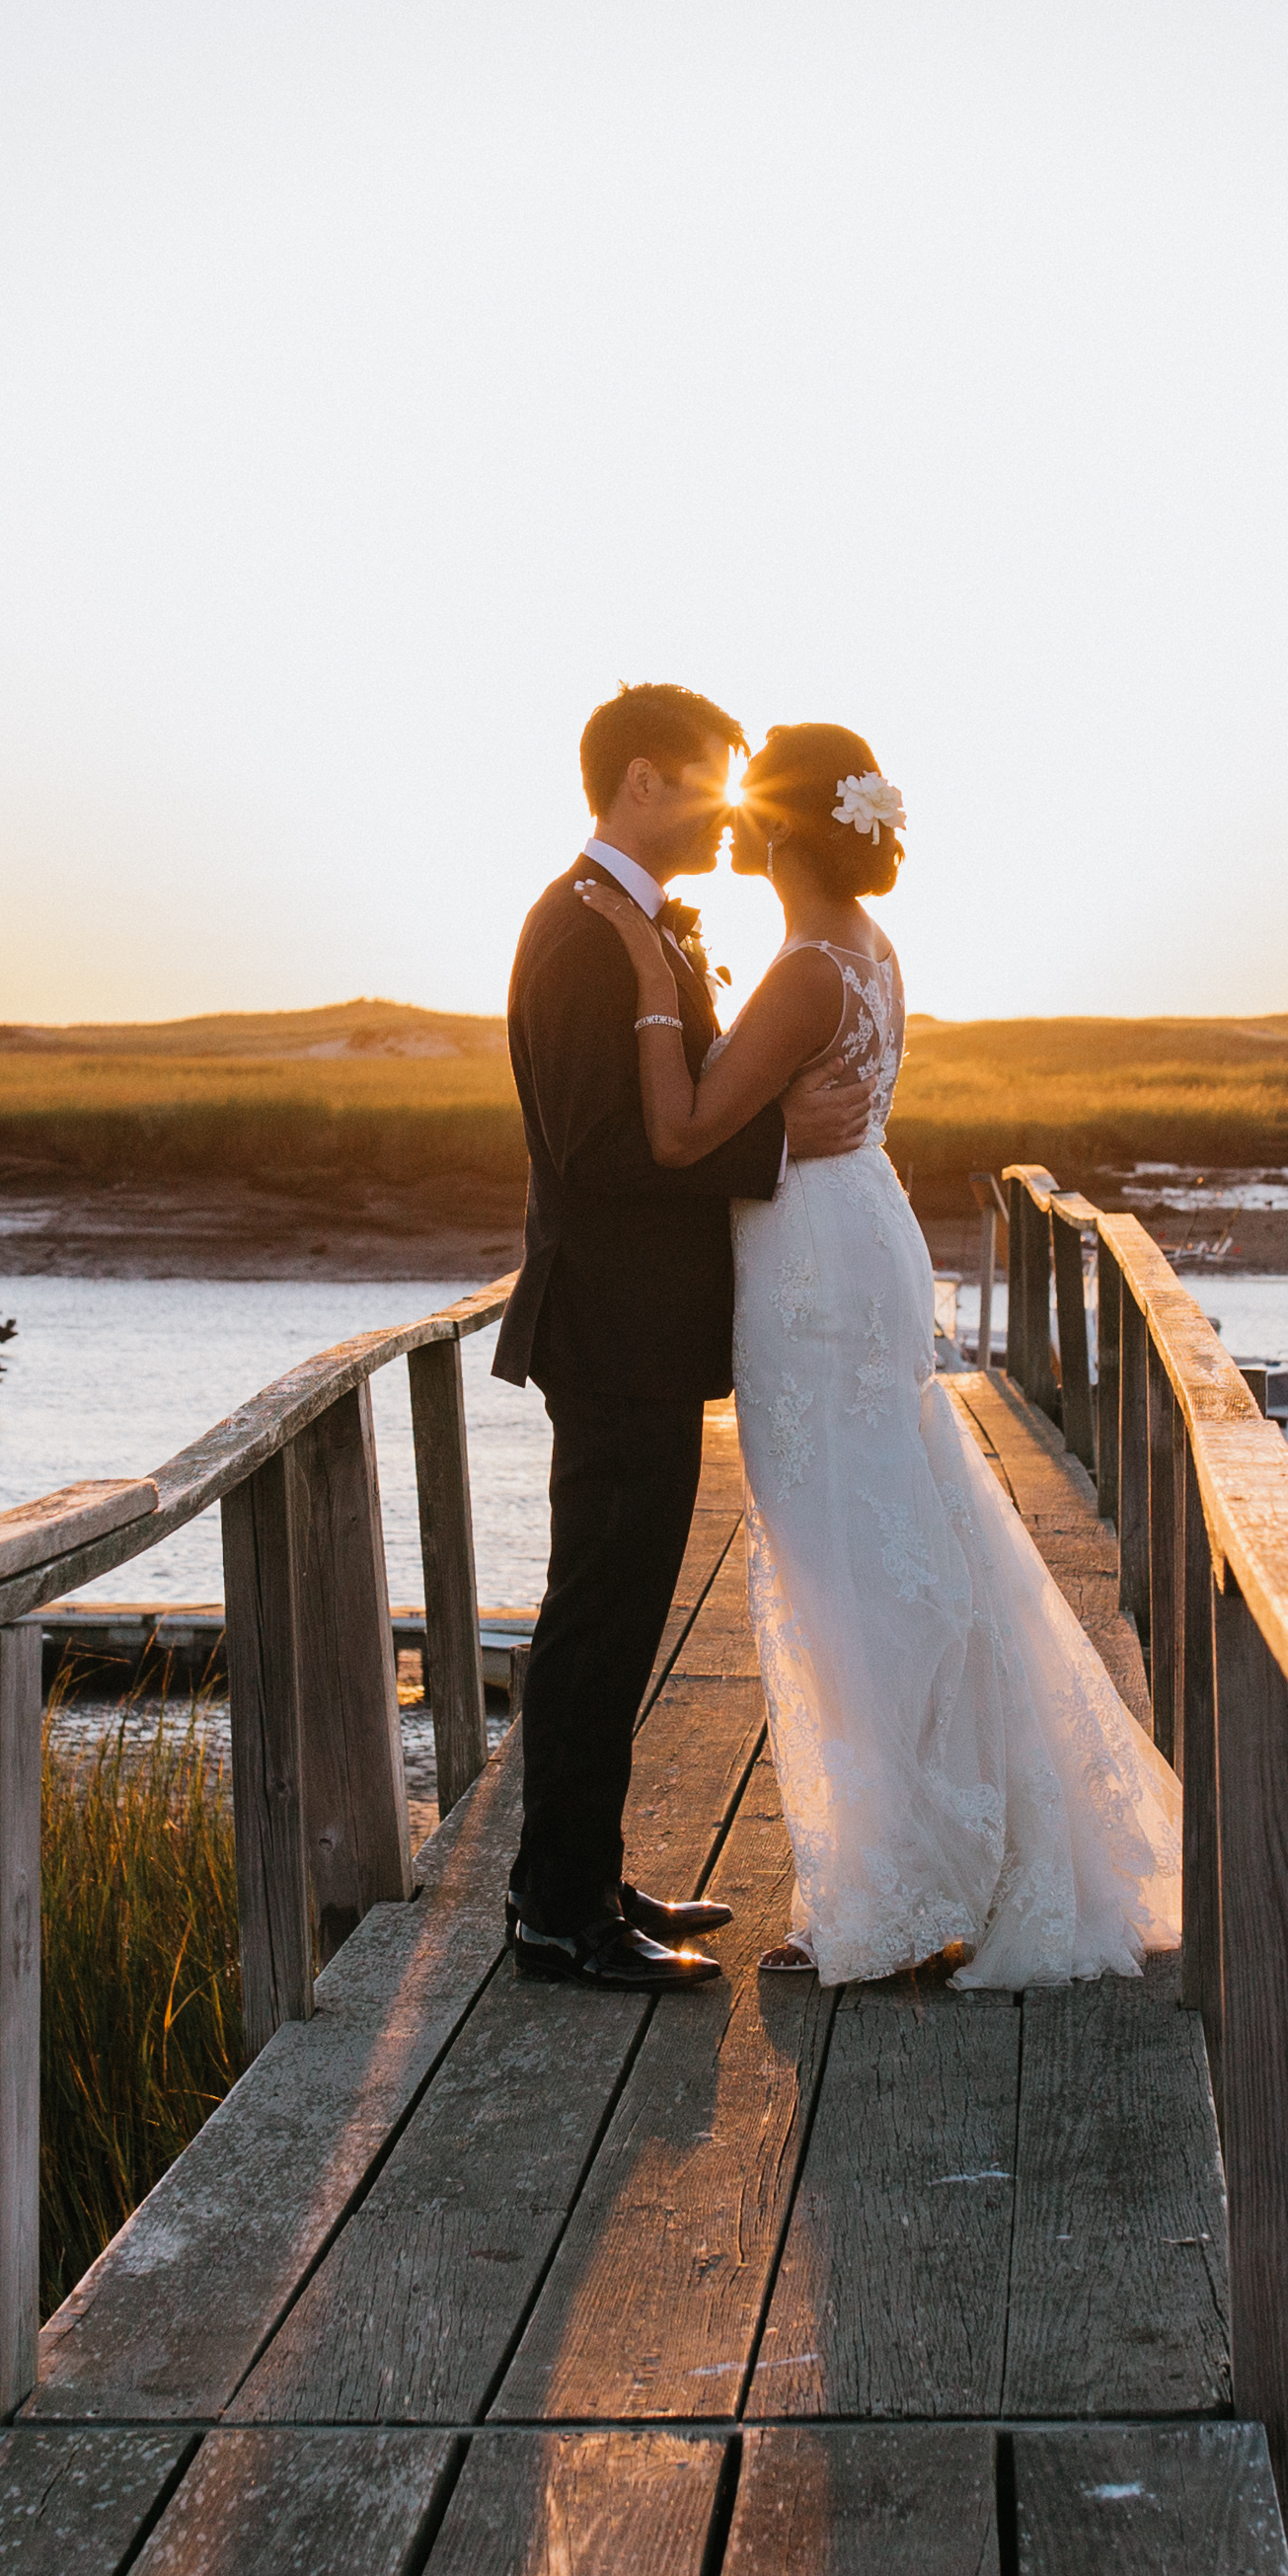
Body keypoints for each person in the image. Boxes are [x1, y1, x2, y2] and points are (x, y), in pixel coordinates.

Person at [575, 723, 1182, 1986]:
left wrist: (644, 973)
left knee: (845, 1568)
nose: (730, 816)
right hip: (853, 1235)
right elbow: (783, 1113)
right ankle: (931, 1856)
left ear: (787, 822)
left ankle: (896, 1886)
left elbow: (684, 1134)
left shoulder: (805, 964)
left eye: (749, 799)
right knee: (891, 1539)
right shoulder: (868, 944)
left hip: (813, 1276)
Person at [491, 681, 858, 1991]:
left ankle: (582, 1874)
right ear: (643, 781)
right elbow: (600, 1148)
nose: (729, 808)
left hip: (638, 1333)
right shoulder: (582, 934)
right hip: (611, 1333)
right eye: (710, 780)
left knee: (619, 1609)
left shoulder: (623, 922)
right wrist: (770, 1142)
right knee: (598, 1613)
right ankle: (560, 1916)